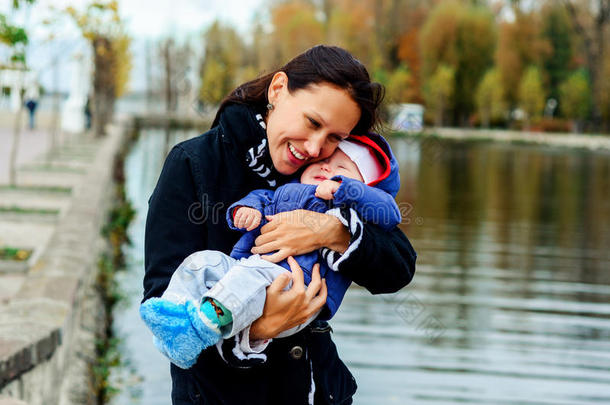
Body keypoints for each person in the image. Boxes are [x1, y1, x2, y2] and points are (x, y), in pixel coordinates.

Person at [143, 45, 417, 405]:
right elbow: (163, 303)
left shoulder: (334, 180)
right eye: (313, 123)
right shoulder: (195, 164)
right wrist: (259, 327)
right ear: (277, 91)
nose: (317, 147)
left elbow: (398, 267)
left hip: (313, 389)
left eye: (335, 137)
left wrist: (332, 232)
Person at [141, 136, 402, 369]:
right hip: (246, 268)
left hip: (295, 289)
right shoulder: (285, 189)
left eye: (342, 169)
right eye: (325, 160)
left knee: (248, 277)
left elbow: (390, 212)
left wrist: (342, 192)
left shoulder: (347, 212)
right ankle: (173, 316)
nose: (327, 168)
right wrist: (247, 210)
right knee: (202, 262)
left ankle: (204, 323)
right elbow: (262, 197)